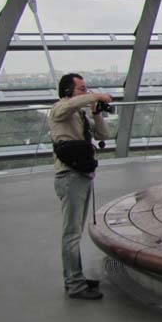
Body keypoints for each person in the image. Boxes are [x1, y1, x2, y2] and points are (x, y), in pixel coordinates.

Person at [48, 73, 112, 299]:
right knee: (71, 234)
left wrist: (96, 113)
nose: (86, 93)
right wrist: (94, 95)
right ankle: (74, 284)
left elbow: (103, 134)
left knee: (75, 231)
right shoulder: (59, 110)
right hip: (69, 176)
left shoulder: (81, 114)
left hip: (82, 175)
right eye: (81, 89)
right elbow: (68, 106)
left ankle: (75, 277)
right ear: (67, 92)